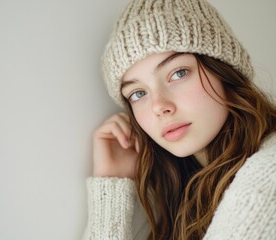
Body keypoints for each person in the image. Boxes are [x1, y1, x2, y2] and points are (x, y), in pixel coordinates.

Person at [82, 0, 276, 239]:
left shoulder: (269, 173)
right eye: (138, 93)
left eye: (178, 73)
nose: (159, 107)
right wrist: (112, 181)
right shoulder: (187, 193)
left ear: (224, 70)